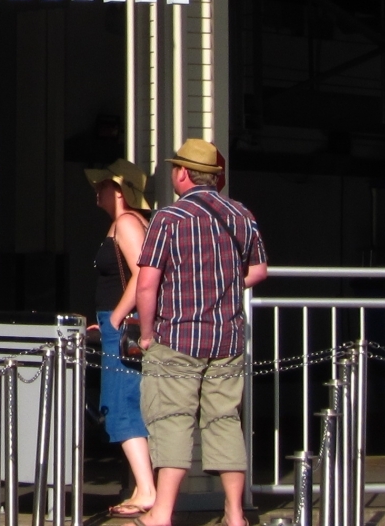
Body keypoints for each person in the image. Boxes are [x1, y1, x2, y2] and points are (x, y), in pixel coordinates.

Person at [133, 140, 268, 526]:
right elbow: (259, 270)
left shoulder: (168, 218)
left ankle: (161, 513)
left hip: (177, 336)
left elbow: (147, 284)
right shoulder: (241, 214)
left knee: (172, 418)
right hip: (227, 338)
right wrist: (224, 285)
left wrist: (146, 334)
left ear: (183, 173)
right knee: (224, 420)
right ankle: (235, 513)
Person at [85, 159, 158, 519]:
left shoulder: (128, 223)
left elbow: (142, 273)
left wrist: (113, 319)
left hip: (122, 325)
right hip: (114, 322)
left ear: (118, 191)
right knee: (123, 403)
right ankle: (143, 487)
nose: (96, 191)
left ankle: (146, 489)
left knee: (121, 406)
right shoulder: (131, 222)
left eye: (102, 185)